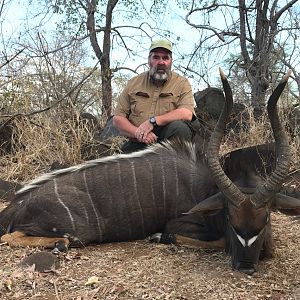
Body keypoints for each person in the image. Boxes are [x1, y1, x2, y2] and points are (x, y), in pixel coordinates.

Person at [113, 39, 199, 153]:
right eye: (156, 57)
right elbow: (118, 119)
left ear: (171, 61)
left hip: (168, 143)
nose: (161, 62)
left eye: (165, 58)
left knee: (180, 128)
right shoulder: (133, 83)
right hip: (139, 142)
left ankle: (174, 168)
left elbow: (187, 113)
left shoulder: (181, 83)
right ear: (149, 60)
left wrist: (153, 121)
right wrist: (140, 133)